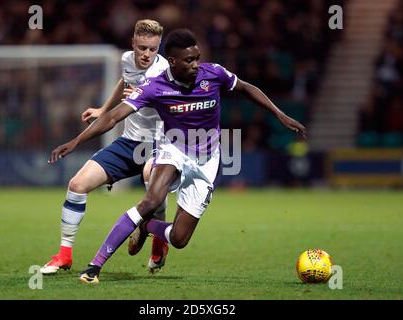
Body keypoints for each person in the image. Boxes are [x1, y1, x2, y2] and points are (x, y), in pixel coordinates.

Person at [47, 28, 307, 284]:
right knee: (151, 200)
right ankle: (94, 267)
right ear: (172, 61)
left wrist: (280, 114)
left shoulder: (214, 73)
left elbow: (247, 88)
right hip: (174, 150)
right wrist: (76, 140)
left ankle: (147, 227)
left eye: (197, 58)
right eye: (189, 60)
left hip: (207, 160)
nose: (196, 64)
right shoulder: (154, 86)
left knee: (180, 239)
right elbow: (114, 117)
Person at [40, 19, 170, 275]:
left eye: (153, 49)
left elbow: (170, 105)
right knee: (77, 185)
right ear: (133, 42)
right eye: (142, 47)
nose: (146, 54)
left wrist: (143, 97)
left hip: (158, 143)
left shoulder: (164, 70)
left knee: (151, 179)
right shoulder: (125, 59)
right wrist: (103, 109)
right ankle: (64, 255)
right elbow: (124, 81)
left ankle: (159, 240)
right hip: (130, 140)